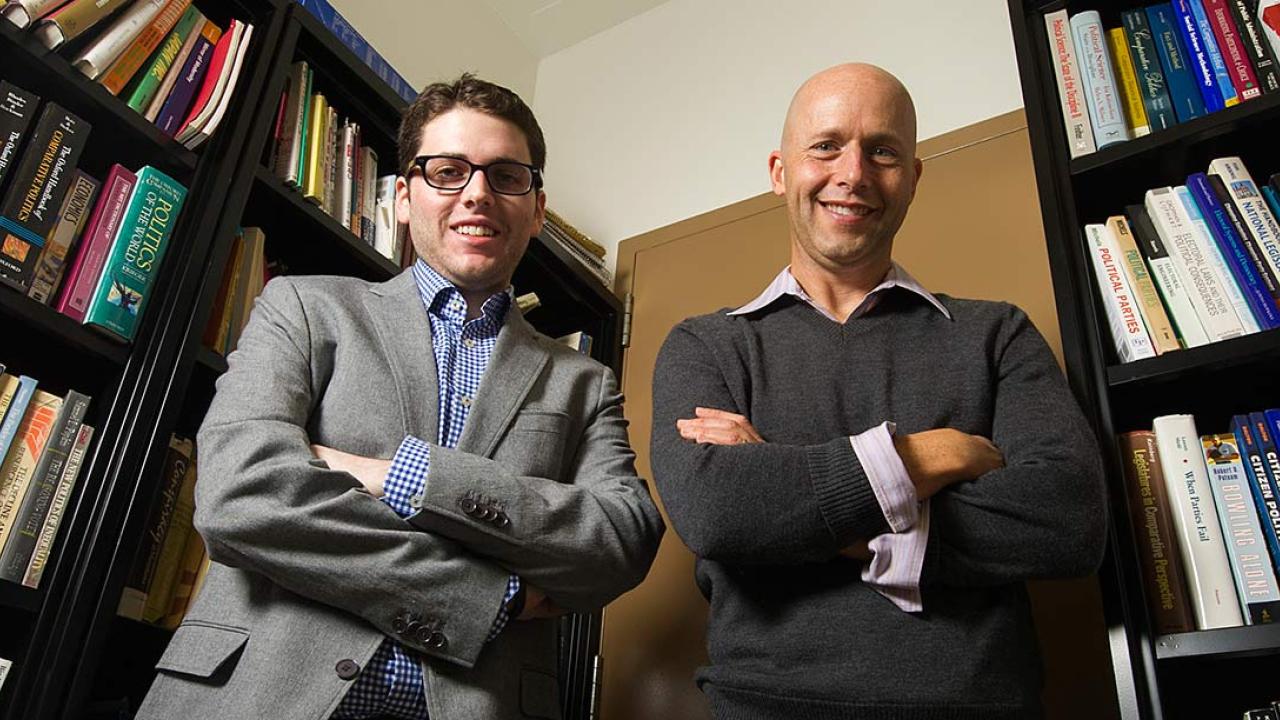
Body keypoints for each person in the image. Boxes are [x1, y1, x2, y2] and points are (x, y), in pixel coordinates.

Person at [138, 74, 664, 720]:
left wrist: (403, 478)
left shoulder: (582, 380)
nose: (477, 194)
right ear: (407, 198)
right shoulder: (305, 308)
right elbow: (242, 496)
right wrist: (483, 596)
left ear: (535, 208)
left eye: (505, 176)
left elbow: (622, 540)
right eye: (447, 171)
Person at [650, 63, 1107, 719]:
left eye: (883, 151)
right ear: (781, 171)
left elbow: (1069, 521)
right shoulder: (706, 345)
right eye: (827, 146)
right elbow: (719, 512)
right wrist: (932, 458)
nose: (854, 174)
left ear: (912, 179)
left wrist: (796, 492)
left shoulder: (996, 333)